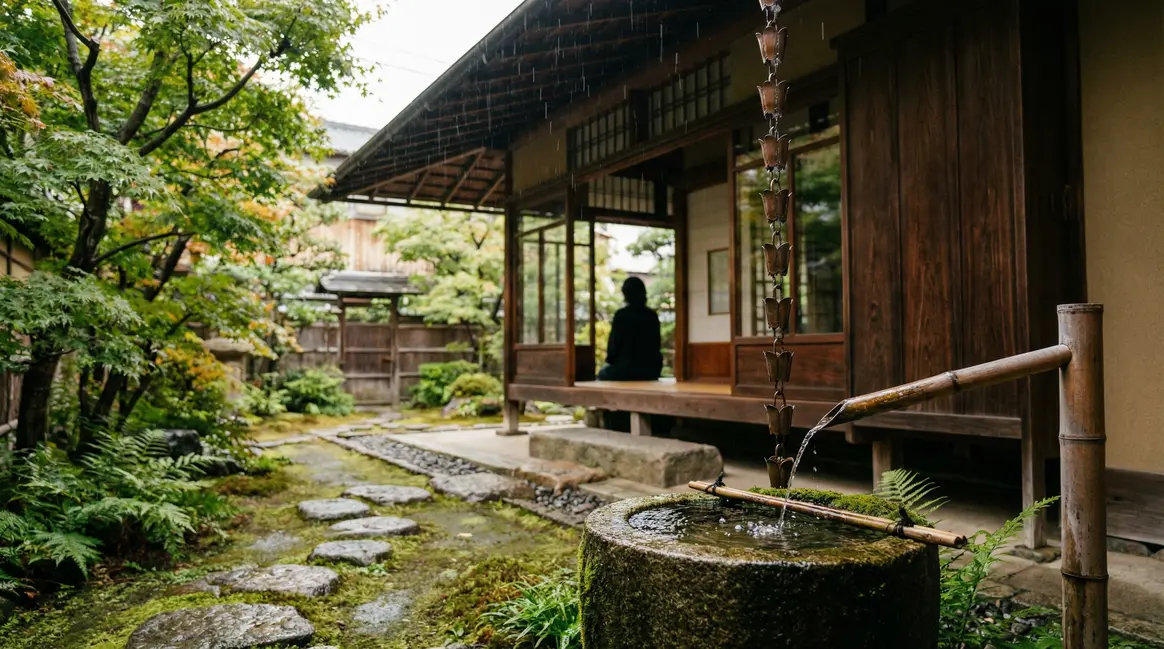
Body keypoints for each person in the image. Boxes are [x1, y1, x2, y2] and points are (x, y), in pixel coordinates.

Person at [598, 277, 663, 381]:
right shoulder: (652, 316)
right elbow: (657, 344)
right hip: (650, 370)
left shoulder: (621, 315)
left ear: (626, 294)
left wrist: (611, 360)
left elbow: (614, 346)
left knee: (602, 373)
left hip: (624, 369)